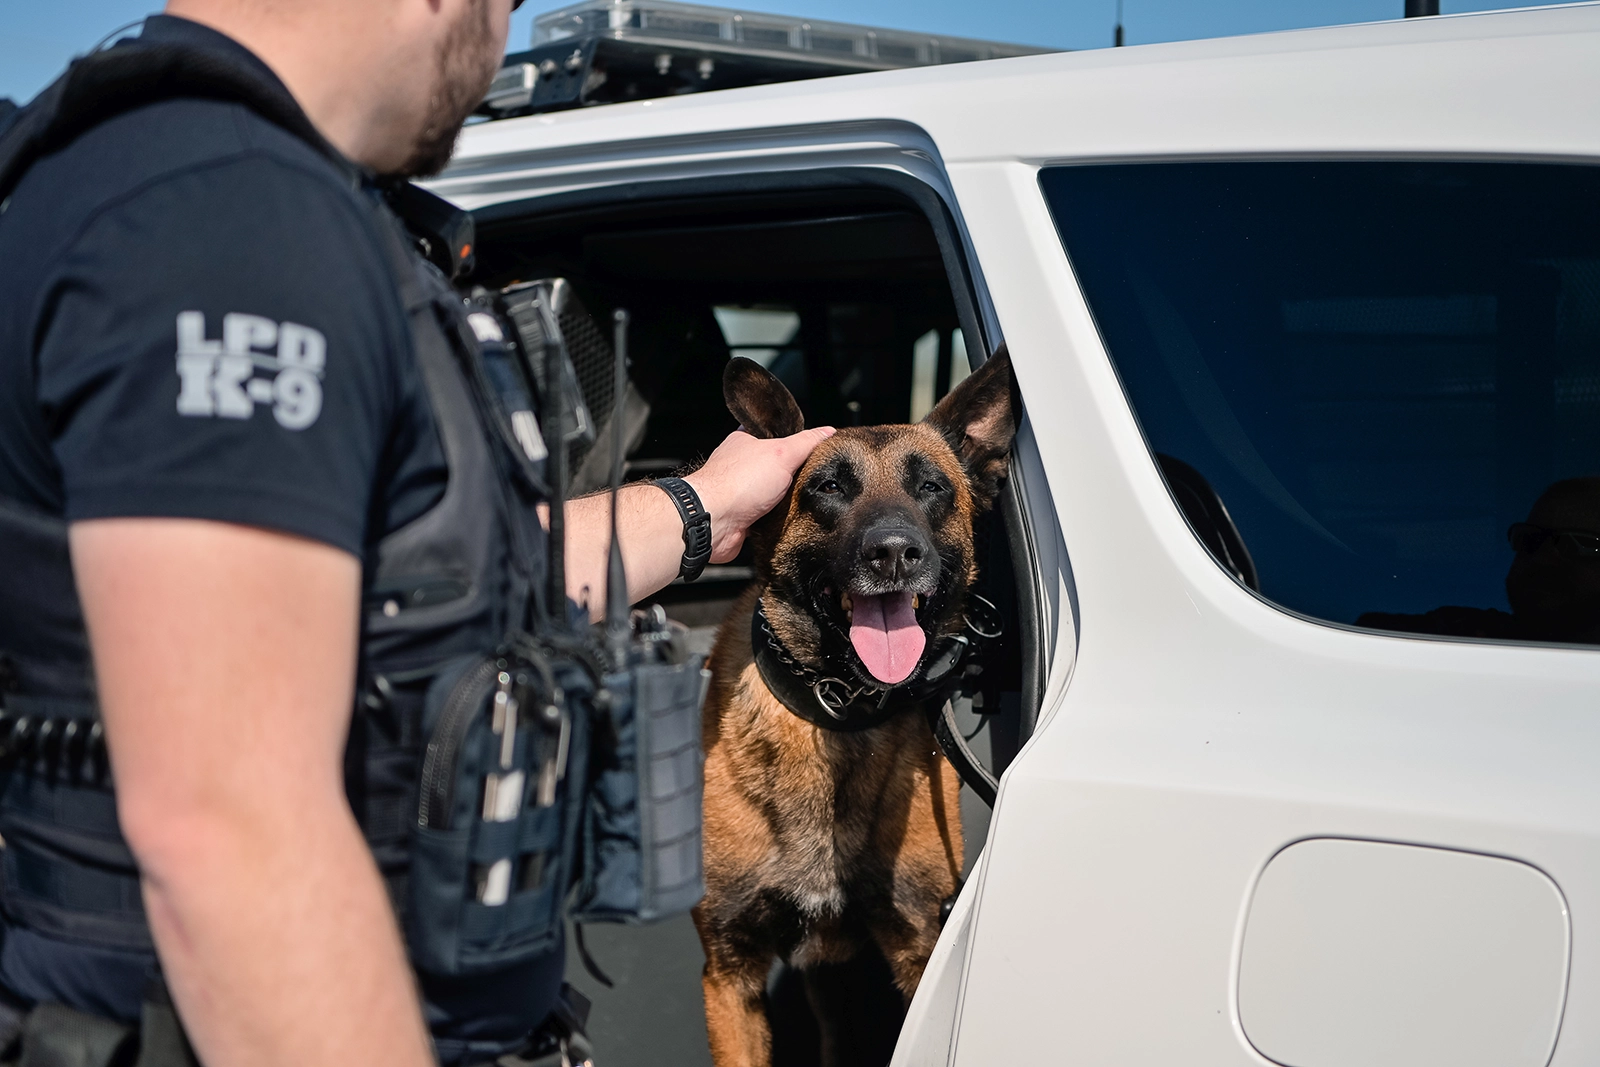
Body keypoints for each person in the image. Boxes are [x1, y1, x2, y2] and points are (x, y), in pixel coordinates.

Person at [0, 2, 833, 1065]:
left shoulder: (230, 191)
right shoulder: (229, 221)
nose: (502, 34)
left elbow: (427, 589)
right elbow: (232, 828)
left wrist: (703, 504)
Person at [1358, 477, 1600, 645]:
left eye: (1583, 544)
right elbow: (1365, 630)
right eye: (1530, 539)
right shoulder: (1459, 632)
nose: (1546, 558)